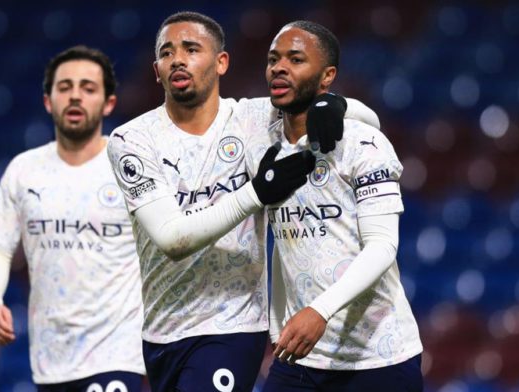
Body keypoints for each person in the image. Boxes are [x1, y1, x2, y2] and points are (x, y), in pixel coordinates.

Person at [107, 11, 380, 392]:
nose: (178, 59)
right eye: (167, 53)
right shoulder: (130, 140)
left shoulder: (253, 118)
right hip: (161, 329)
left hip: (234, 324)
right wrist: (255, 194)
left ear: (221, 62)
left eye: (191, 49)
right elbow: (172, 240)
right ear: (156, 70)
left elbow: (367, 122)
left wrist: (334, 105)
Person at [245, 21, 423, 391]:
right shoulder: (258, 140)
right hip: (299, 355)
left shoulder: (364, 144)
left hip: (378, 354)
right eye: (273, 59)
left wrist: (320, 311)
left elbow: (383, 245)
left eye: (295, 59)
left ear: (327, 77)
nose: (279, 67)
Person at [0, 45, 145, 391]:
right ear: (48, 101)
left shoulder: (133, 166)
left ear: (108, 102)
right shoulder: (24, 170)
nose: (75, 97)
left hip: (118, 353)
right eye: (65, 87)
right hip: (50, 360)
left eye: (88, 88)